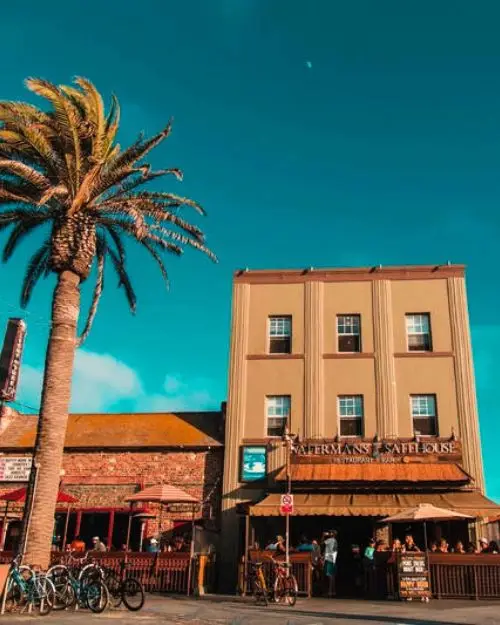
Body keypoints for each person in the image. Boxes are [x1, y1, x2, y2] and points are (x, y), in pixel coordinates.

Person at [323, 530, 338, 597]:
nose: (329, 533)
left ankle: (329, 592)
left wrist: (323, 536)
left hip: (329, 559)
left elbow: (322, 543)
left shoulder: (330, 540)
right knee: (333, 577)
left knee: (329, 576)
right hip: (333, 559)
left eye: (330, 533)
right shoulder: (335, 541)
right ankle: (333, 592)